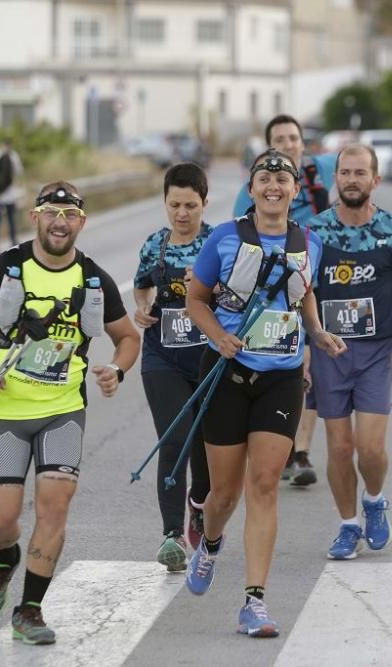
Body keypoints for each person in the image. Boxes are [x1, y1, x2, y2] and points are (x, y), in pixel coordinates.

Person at [0, 181, 140, 645]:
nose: (60, 222)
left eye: (69, 215)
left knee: (54, 509)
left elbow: (128, 337)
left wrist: (117, 368)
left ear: (82, 223)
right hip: (8, 411)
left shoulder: (93, 280)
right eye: (52, 212)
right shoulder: (4, 270)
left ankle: (29, 610)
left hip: (63, 412)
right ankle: (3, 560)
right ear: (35, 216)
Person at [185, 149, 345, 637]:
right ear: (251, 188)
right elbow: (195, 298)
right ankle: (210, 542)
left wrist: (316, 332)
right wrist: (219, 336)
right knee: (224, 493)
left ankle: (254, 601)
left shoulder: (308, 242)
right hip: (228, 373)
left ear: (295, 190)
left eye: (283, 178)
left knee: (264, 485)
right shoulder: (225, 237)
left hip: (281, 375)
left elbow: (305, 291)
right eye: (265, 178)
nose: (274, 185)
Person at [307, 144, 392, 561]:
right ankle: (347, 524)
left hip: (375, 352)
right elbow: (303, 292)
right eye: (345, 173)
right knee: (339, 448)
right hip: (330, 353)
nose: (351, 180)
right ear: (335, 178)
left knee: (370, 449)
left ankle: (374, 499)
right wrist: (312, 339)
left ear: (376, 180)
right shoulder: (315, 232)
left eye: (360, 173)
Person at [233, 113, 337, 486]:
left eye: (294, 138)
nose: (289, 144)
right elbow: (237, 241)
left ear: (303, 143)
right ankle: (285, 445)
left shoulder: (320, 170)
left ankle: (301, 450)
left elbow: (359, 164)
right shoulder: (254, 188)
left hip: (317, 275)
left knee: (311, 360)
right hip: (274, 290)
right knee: (297, 358)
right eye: (280, 138)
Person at [133, 163, 214, 571]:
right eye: (174, 205)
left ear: (204, 203)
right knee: (174, 436)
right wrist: (142, 307)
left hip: (207, 358)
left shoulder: (219, 243)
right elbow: (142, 284)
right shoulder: (155, 245)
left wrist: (209, 287)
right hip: (162, 355)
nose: (181, 214)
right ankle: (171, 534)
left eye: (190, 205)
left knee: (204, 443)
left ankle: (199, 503)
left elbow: (237, 297)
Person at [0, 140, 24, 253]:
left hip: (9, 194)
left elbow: (18, 171)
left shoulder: (13, 156)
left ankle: (13, 240)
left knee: (11, 219)